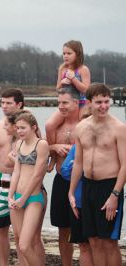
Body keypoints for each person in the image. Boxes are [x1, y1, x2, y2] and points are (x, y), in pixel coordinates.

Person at [68, 83, 126, 266]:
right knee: (93, 240)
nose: (104, 106)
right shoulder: (81, 127)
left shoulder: (119, 128)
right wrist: (71, 192)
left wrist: (115, 195)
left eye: (107, 102)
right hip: (88, 187)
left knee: (109, 241)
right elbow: (78, 162)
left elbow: (125, 164)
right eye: (99, 102)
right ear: (89, 103)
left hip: (109, 187)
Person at [0, 88, 24, 266]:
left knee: (22, 232)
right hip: (0, 181)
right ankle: (3, 264)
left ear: (19, 104)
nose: (4, 106)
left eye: (9, 103)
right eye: (2, 103)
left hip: (22, 183)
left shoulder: (28, 126)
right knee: (0, 228)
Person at [8, 112, 49, 266]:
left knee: (26, 245)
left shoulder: (41, 145)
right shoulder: (18, 143)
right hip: (16, 197)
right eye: (17, 128)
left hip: (33, 199)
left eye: (23, 128)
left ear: (33, 127)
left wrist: (23, 199)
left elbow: (37, 176)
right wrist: (10, 196)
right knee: (18, 240)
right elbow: (16, 171)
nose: (19, 131)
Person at [46, 40, 91, 172]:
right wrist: (63, 82)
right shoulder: (62, 68)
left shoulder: (83, 69)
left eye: (69, 53)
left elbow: (87, 90)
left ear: (77, 54)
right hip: (66, 103)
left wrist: (74, 79)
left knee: (82, 127)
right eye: (64, 53)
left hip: (82, 103)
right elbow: (57, 88)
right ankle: (53, 156)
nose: (65, 56)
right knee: (49, 125)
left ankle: (80, 155)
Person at [48, 87, 80, 265]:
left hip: (81, 182)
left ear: (76, 102)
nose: (61, 106)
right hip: (61, 180)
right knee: (63, 229)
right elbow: (44, 147)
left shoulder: (84, 124)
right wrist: (54, 148)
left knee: (84, 229)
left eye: (65, 103)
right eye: (59, 103)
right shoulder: (56, 126)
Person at [61, 107, 94, 266]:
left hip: (97, 199)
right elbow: (65, 171)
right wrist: (78, 166)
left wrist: (80, 167)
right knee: (83, 245)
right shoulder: (75, 147)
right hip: (78, 201)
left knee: (100, 244)